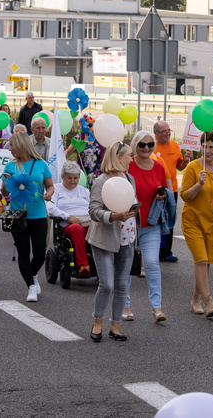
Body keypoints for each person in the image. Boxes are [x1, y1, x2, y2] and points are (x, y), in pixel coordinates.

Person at [87, 141, 138, 342]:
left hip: (128, 237)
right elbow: (93, 211)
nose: (131, 159)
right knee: (107, 284)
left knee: (121, 285)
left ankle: (115, 326)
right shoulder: (101, 181)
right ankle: (97, 321)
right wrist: (113, 216)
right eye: (128, 155)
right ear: (118, 157)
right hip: (104, 238)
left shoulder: (129, 178)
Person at [124, 131, 173, 323]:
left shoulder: (159, 167)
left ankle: (157, 308)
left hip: (151, 224)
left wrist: (163, 196)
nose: (146, 148)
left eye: (150, 144)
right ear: (135, 146)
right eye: (142, 144)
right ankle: (125, 306)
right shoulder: (127, 165)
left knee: (152, 264)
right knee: (127, 266)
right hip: (128, 223)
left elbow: (164, 190)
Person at [180, 131, 213, 318]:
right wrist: (199, 184)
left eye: (211, 147)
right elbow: (185, 195)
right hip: (192, 220)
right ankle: (208, 301)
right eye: (204, 146)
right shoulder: (194, 167)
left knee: (207, 263)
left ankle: (195, 299)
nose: (207, 150)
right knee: (200, 260)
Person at [0, 131, 54, 303]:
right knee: (23, 252)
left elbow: (50, 186)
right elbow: (3, 192)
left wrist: (49, 194)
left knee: (40, 253)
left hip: (38, 214)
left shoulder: (41, 164)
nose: (10, 149)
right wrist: (7, 183)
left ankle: (33, 274)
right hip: (18, 215)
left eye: (12, 145)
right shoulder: (10, 166)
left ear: (22, 145)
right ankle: (31, 286)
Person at [152, 119, 192, 262]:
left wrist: (186, 160)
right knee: (155, 219)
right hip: (154, 190)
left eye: (169, 131)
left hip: (172, 189)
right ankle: (153, 251)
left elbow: (179, 167)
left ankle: (166, 252)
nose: (167, 134)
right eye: (164, 131)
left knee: (169, 219)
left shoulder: (175, 145)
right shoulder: (150, 146)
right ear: (155, 133)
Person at [46, 160, 91, 276]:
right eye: (69, 178)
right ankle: (83, 264)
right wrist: (68, 217)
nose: (73, 181)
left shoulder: (84, 191)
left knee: (101, 229)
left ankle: (102, 266)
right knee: (76, 228)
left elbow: (93, 207)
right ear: (62, 177)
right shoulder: (55, 189)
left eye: (75, 178)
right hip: (68, 224)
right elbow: (50, 208)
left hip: (87, 221)